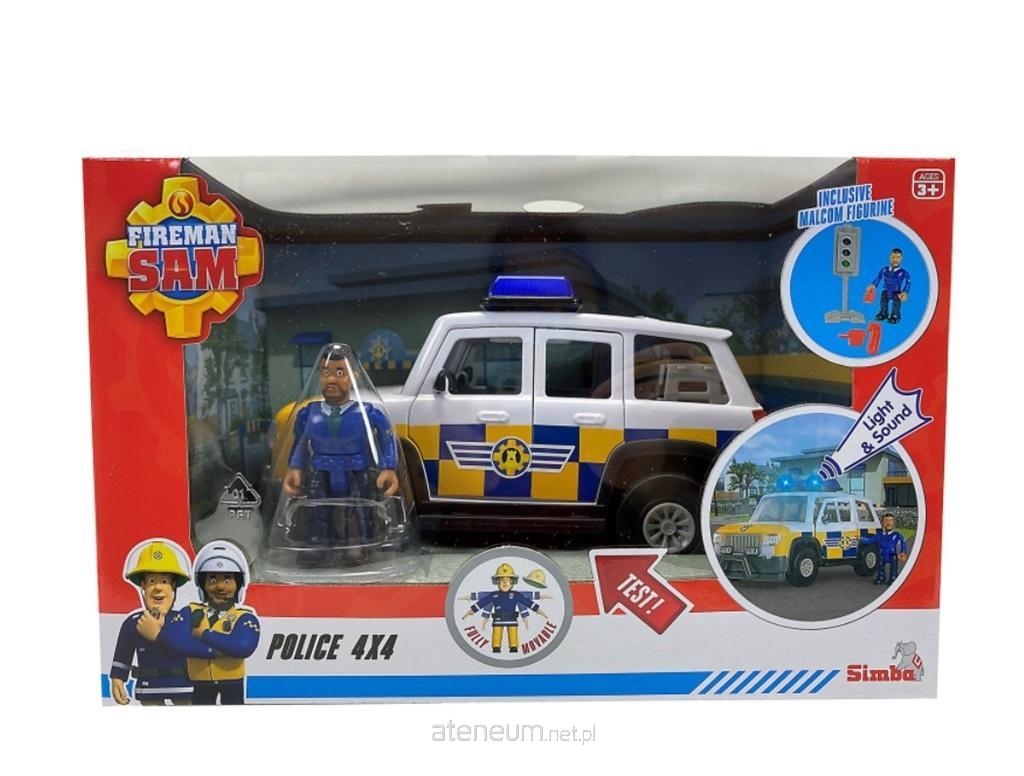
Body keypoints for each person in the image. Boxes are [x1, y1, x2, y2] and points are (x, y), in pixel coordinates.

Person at [283, 347, 399, 554]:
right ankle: (318, 547)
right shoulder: (308, 413)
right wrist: (295, 468)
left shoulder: (367, 412)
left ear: (353, 377)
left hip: (356, 471)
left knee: (359, 510)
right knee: (317, 511)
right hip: (321, 471)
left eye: (339, 372)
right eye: (325, 372)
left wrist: (388, 467)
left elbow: (386, 438)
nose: (331, 379)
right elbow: (300, 442)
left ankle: (359, 546)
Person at [159, 541, 260, 705]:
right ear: (203, 585)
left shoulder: (245, 617)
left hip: (232, 682)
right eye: (212, 580)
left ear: (238, 584)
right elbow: (175, 640)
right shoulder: (191, 611)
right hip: (200, 681)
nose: (220, 587)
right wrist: (215, 651)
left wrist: (204, 634)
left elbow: (243, 647)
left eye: (227, 581)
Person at [109, 540, 193, 706]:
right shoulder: (133, 623)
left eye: (164, 582)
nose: (158, 588)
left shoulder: (185, 620)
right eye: (152, 581)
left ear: (173, 587)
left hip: (183, 687)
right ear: (143, 586)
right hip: (148, 689)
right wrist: (117, 678)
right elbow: (123, 654)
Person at [462, 563, 548, 654]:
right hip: (497, 620)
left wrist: (539, 611)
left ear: (512, 582)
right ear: (497, 582)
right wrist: (470, 611)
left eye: (508, 580)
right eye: (502, 580)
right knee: (497, 635)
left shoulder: (516, 595)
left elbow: (528, 603)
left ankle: (513, 647)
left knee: (513, 635)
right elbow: (481, 603)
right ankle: (496, 648)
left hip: (512, 619)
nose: (505, 582)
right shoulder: (493, 595)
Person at [866, 248, 911, 324]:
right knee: (883, 301)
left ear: (901, 258)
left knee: (896, 304)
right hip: (886, 291)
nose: (895, 259)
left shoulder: (903, 272)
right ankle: (883, 313)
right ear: (890, 257)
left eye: (897, 257)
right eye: (893, 257)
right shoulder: (885, 270)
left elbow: (908, 282)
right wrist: (873, 285)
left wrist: (905, 292)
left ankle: (895, 316)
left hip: (897, 292)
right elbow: (878, 278)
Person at [862, 513, 909, 585]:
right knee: (880, 564)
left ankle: (893, 578)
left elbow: (903, 543)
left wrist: (903, 552)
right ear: (882, 523)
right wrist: (861, 539)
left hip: (892, 554)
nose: (888, 523)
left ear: (894, 523)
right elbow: (870, 540)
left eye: (891, 520)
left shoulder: (897, 535)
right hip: (882, 554)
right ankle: (881, 577)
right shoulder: (879, 535)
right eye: (886, 520)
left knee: (893, 566)